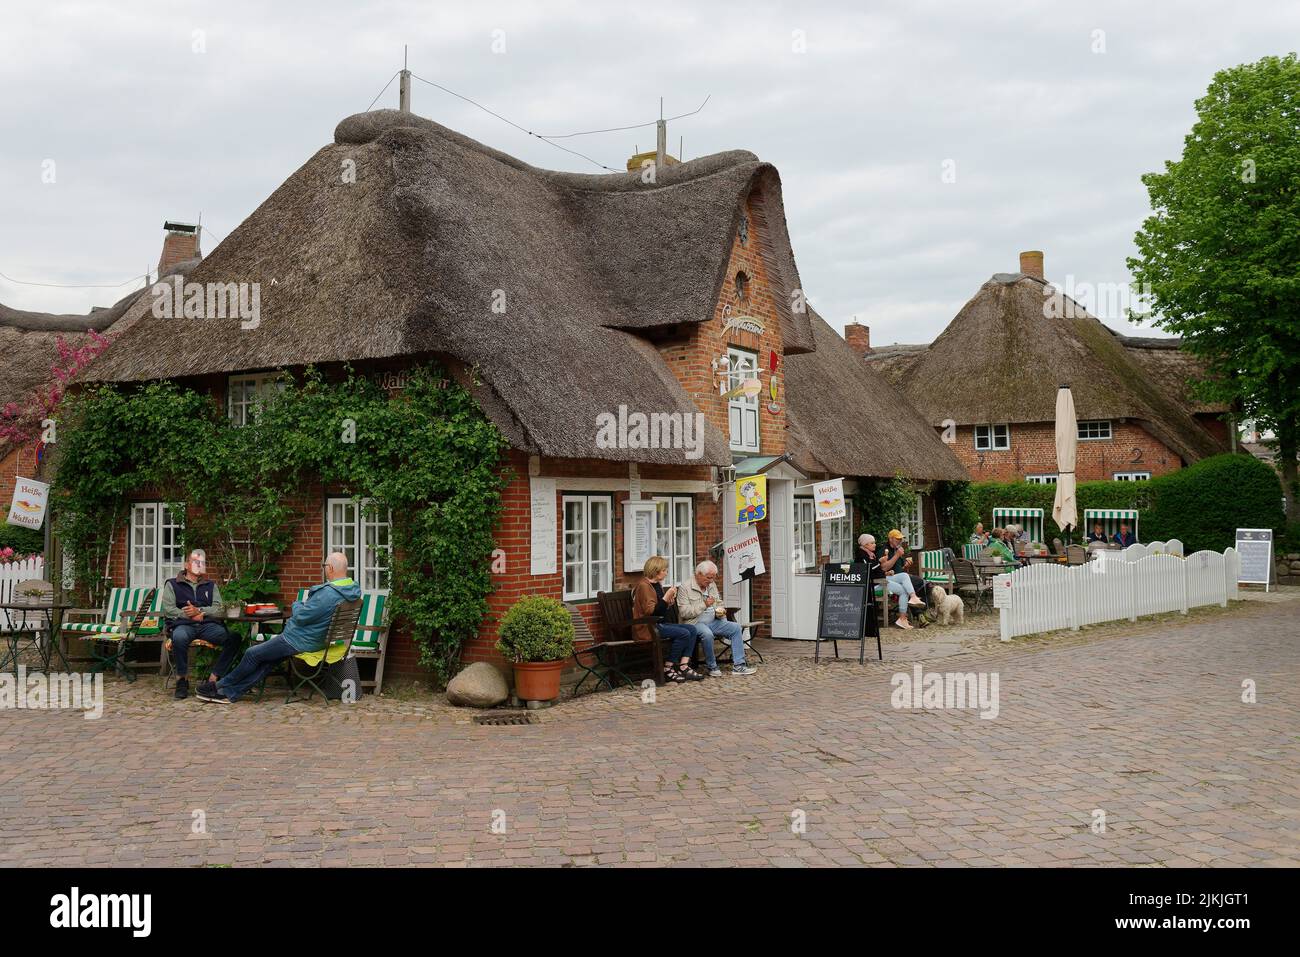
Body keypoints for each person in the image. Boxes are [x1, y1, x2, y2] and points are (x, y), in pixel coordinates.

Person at [196, 552, 361, 703]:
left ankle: (218, 685)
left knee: (252, 654)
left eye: (325, 567)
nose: (324, 570)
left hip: (299, 640)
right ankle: (229, 693)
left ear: (330, 568)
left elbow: (301, 616)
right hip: (319, 640)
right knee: (268, 661)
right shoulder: (352, 591)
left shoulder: (328, 593)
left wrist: (297, 605)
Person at [162, 549, 242, 700]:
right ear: (187, 565)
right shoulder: (172, 584)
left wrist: (200, 611)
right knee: (179, 637)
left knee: (234, 637)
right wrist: (189, 615)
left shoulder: (210, 586)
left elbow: (219, 607)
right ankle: (181, 681)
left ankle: (213, 679)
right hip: (183, 625)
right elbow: (168, 609)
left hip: (207, 625)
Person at [676, 560, 756, 677]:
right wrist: (704, 605)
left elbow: (718, 602)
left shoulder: (711, 585)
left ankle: (739, 665)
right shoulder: (685, 587)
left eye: (713, 578)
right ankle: (712, 666)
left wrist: (721, 610)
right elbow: (684, 613)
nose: (711, 581)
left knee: (736, 628)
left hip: (714, 621)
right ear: (698, 574)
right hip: (694, 623)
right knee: (707, 634)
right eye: (708, 578)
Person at [632, 555, 704, 684]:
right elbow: (651, 612)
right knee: (683, 633)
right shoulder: (644, 586)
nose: (666, 573)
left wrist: (668, 603)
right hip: (649, 627)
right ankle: (668, 667)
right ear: (656, 570)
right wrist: (666, 597)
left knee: (692, 629)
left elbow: (660, 609)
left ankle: (683, 665)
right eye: (664, 570)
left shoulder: (656, 584)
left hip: (659, 624)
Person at [857, 533, 924, 629]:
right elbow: (868, 570)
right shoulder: (861, 555)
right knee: (903, 591)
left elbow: (876, 571)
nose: (874, 544)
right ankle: (902, 618)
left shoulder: (871, 554)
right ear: (865, 544)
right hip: (873, 584)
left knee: (904, 575)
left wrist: (886, 573)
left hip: (881, 579)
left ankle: (913, 597)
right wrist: (880, 562)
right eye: (872, 543)